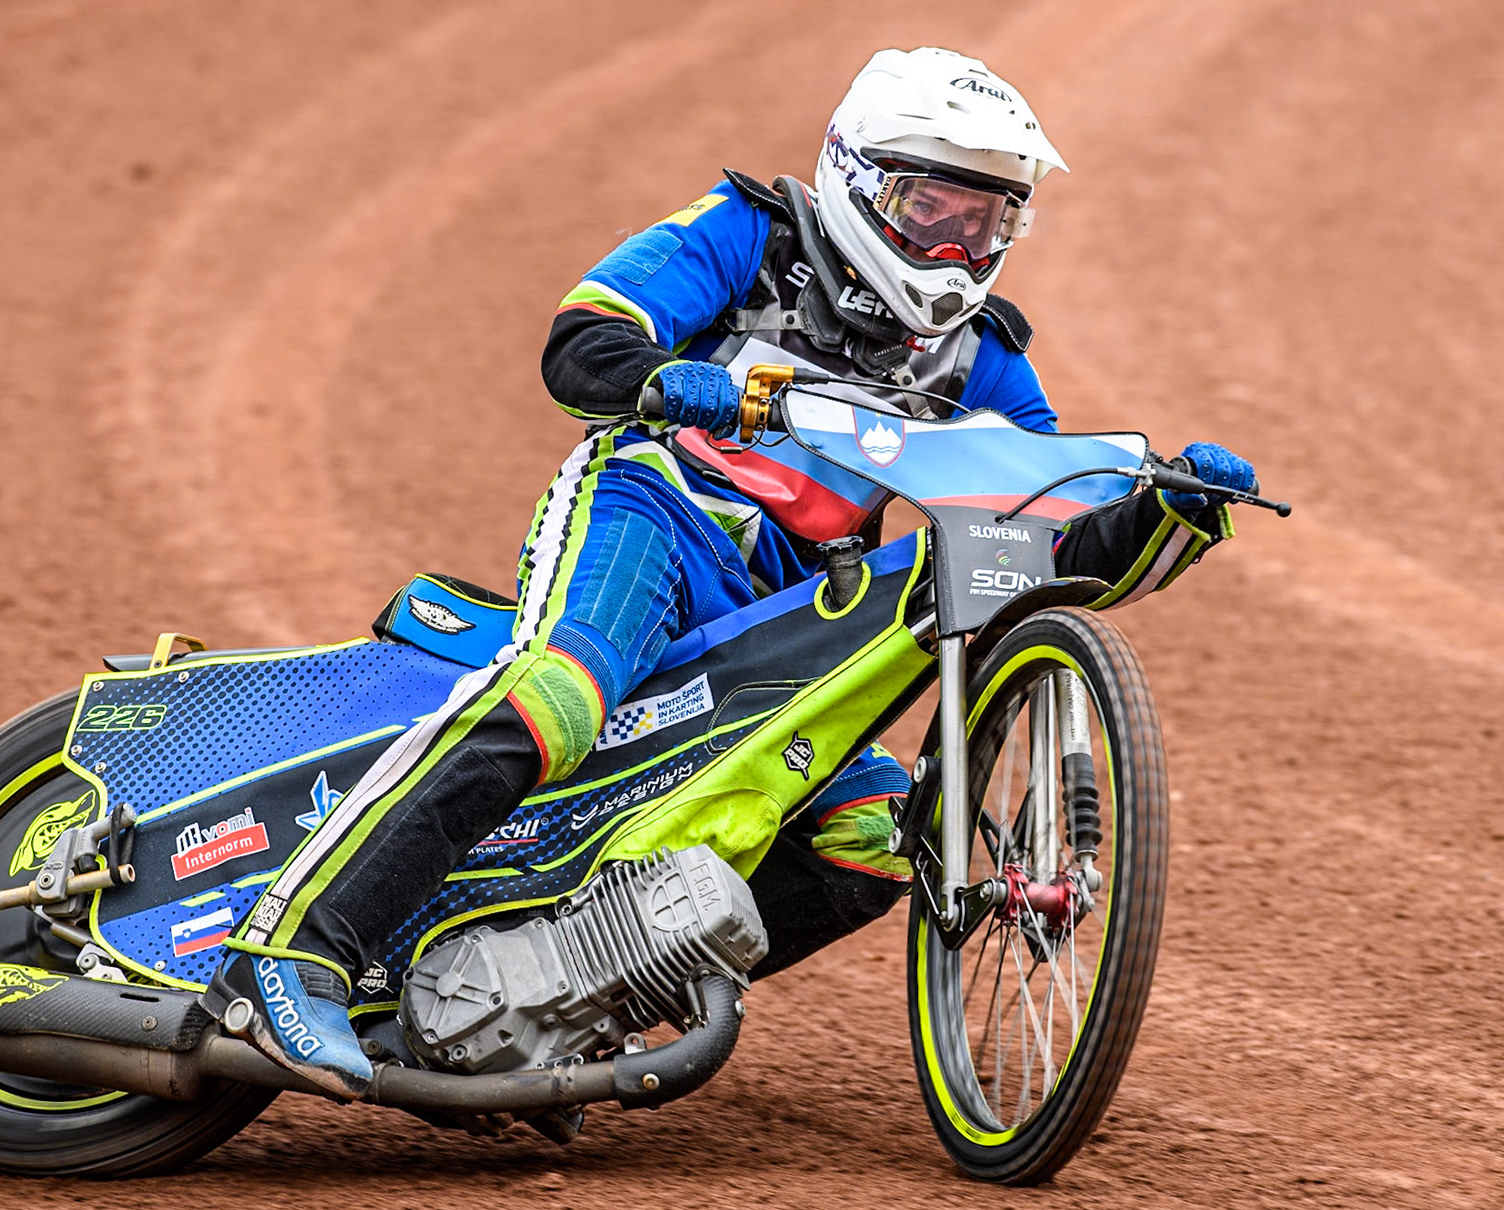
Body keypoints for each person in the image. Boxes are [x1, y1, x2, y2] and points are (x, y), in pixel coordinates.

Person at [200, 46, 1256, 1099]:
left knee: (884, 836)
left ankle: (567, 1003)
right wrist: (681, 384)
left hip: (784, 604)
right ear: (856, 177)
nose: (955, 243)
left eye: (985, 221)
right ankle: (290, 954)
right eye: (932, 206)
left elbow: (1034, 539)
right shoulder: (751, 233)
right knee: (557, 697)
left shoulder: (983, 361)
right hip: (651, 510)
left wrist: (1161, 509)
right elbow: (582, 343)